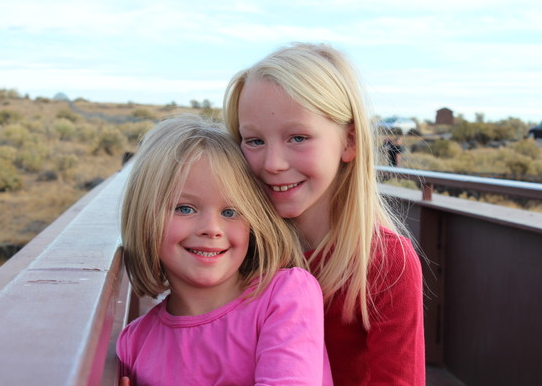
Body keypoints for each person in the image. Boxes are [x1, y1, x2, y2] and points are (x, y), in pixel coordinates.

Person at [224, 43, 425, 385]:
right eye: (254, 141)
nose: (273, 164)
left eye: (298, 137)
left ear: (349, 142)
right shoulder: (237, 248)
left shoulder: (385, 263)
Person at [117, 114, 332, 385]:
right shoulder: (134, 342)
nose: (212, 228)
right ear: (144, 217)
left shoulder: (285, 297)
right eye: (185, 208)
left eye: (230, 212)